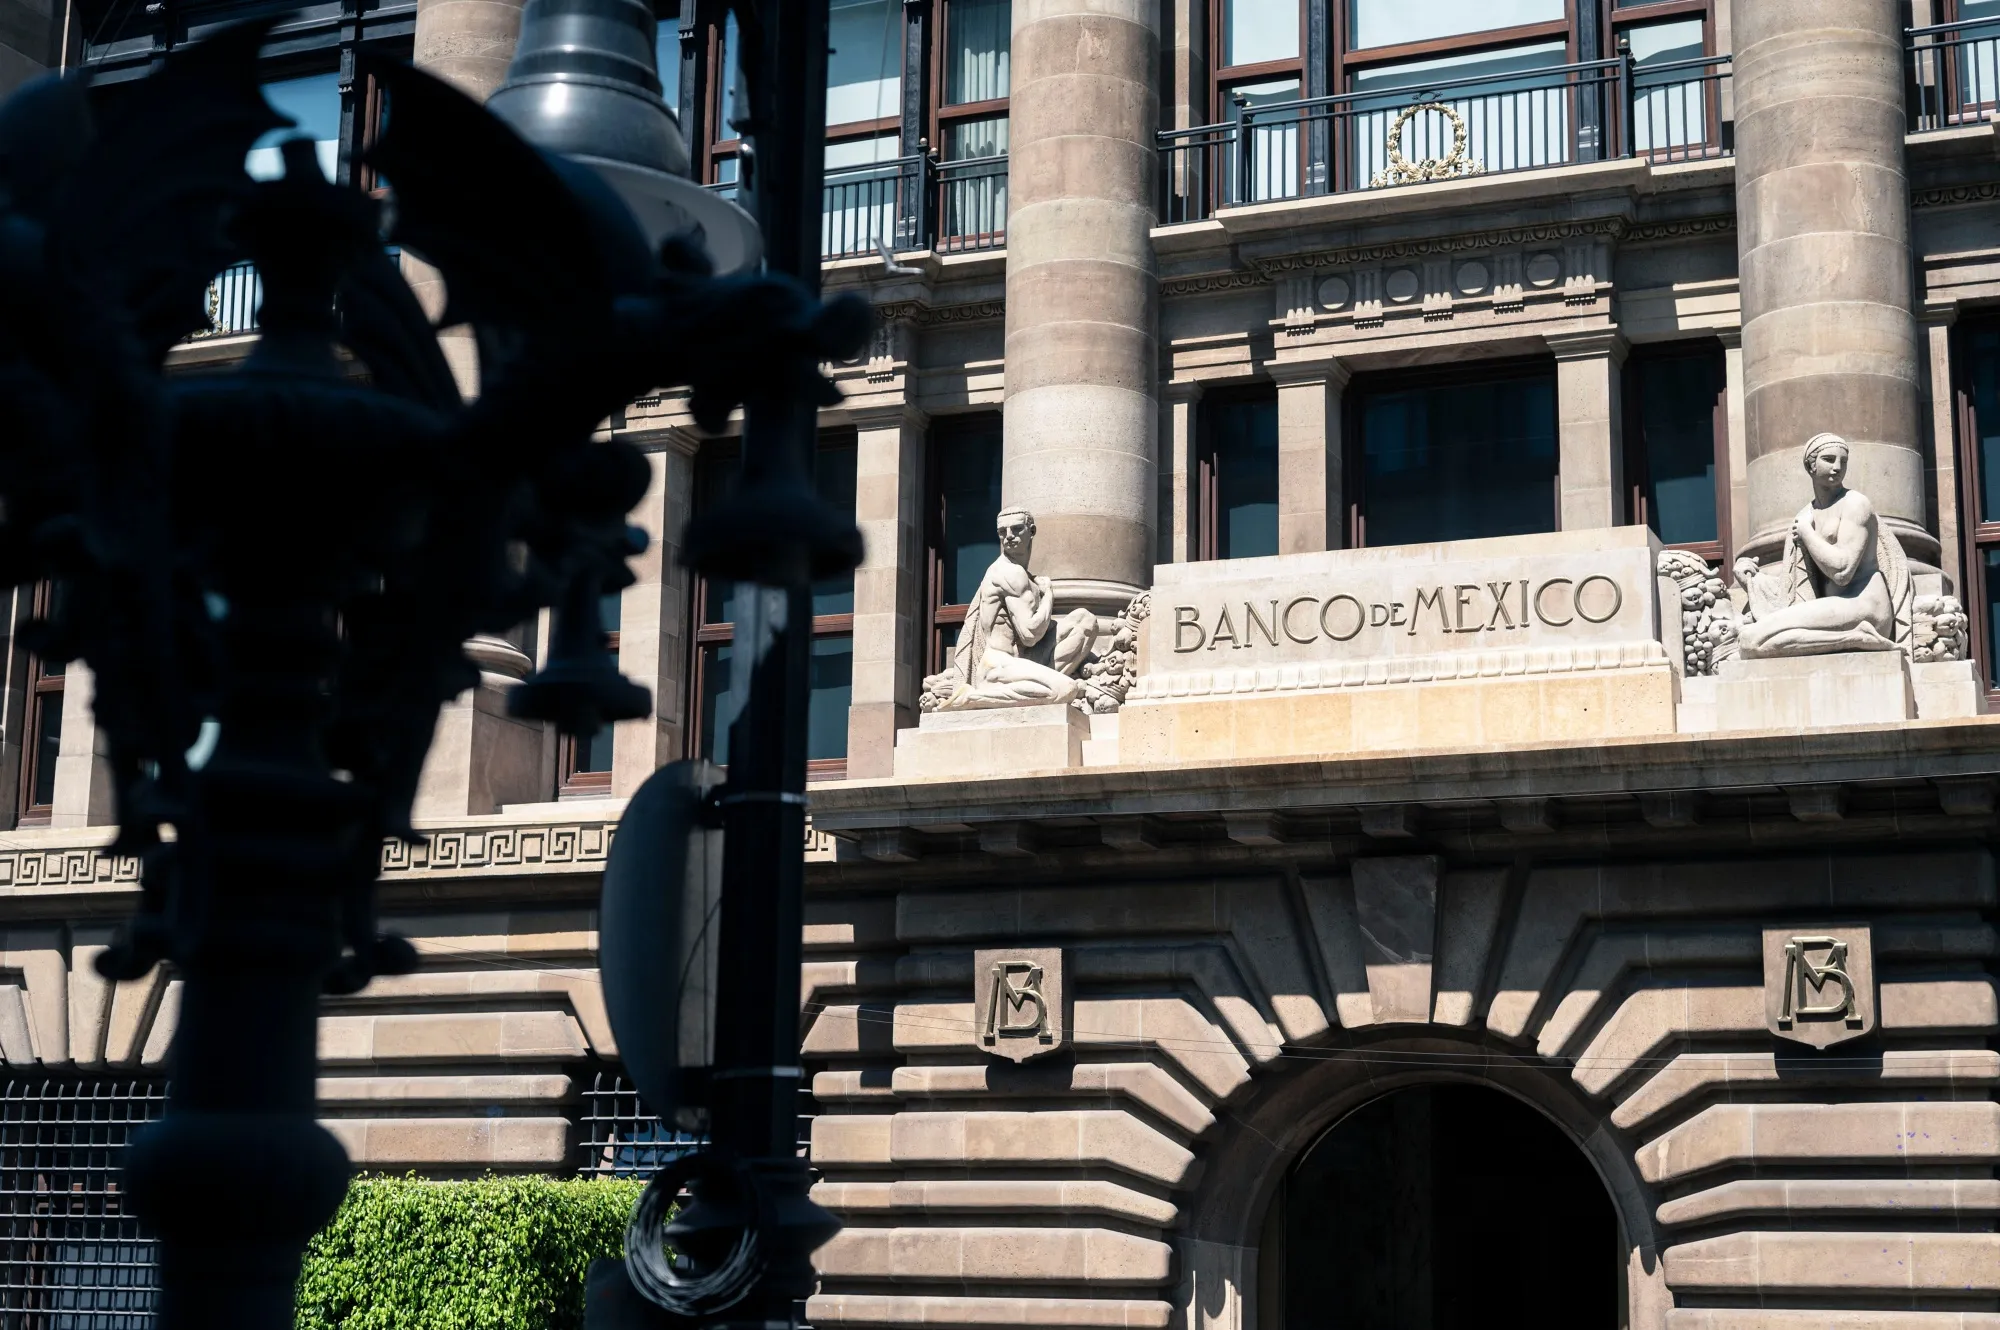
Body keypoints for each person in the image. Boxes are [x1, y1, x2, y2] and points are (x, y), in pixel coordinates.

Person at [1735, 433, 1911, 658]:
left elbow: (1842, 572)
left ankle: (1864, 634)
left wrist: (1807, 533)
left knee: (1753, 639)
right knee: (1751, 643)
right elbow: (1794, 588)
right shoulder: (1805, 515)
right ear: (1811, 466)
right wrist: (1752, 580)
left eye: (1843, 461)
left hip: (1865, 606)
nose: (1838, 467)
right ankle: (1856, 639)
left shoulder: (1855, 504)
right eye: (1829, 459)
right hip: (1835, 610)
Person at [925, 509, 1099, 710]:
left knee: (1084, 622)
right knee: (1066, 689)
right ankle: (973, 698)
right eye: (1002, 532)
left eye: (1016, 529)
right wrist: (1049, 595)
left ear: (1031, 531)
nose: (1008, 536)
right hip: (996, 667)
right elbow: (1030, 634)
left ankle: (1036, 686)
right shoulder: (1009, 573)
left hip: (1018, 661)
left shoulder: (1023, 575)